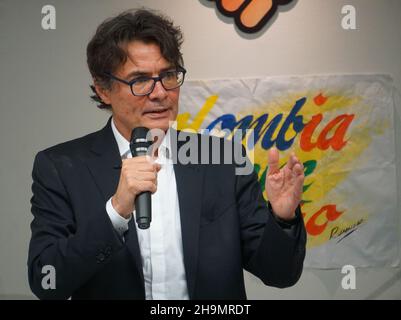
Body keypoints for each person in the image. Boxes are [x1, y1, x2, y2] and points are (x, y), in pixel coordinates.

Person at [28, 8, 306, 300]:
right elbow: (47, 281)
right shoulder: (61, 167)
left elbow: (280, 274)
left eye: (168, 75)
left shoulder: (221, 158)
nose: (160, 93)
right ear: (103, 90)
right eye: (140, 80)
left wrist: (282, 219)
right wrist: (116, 211)